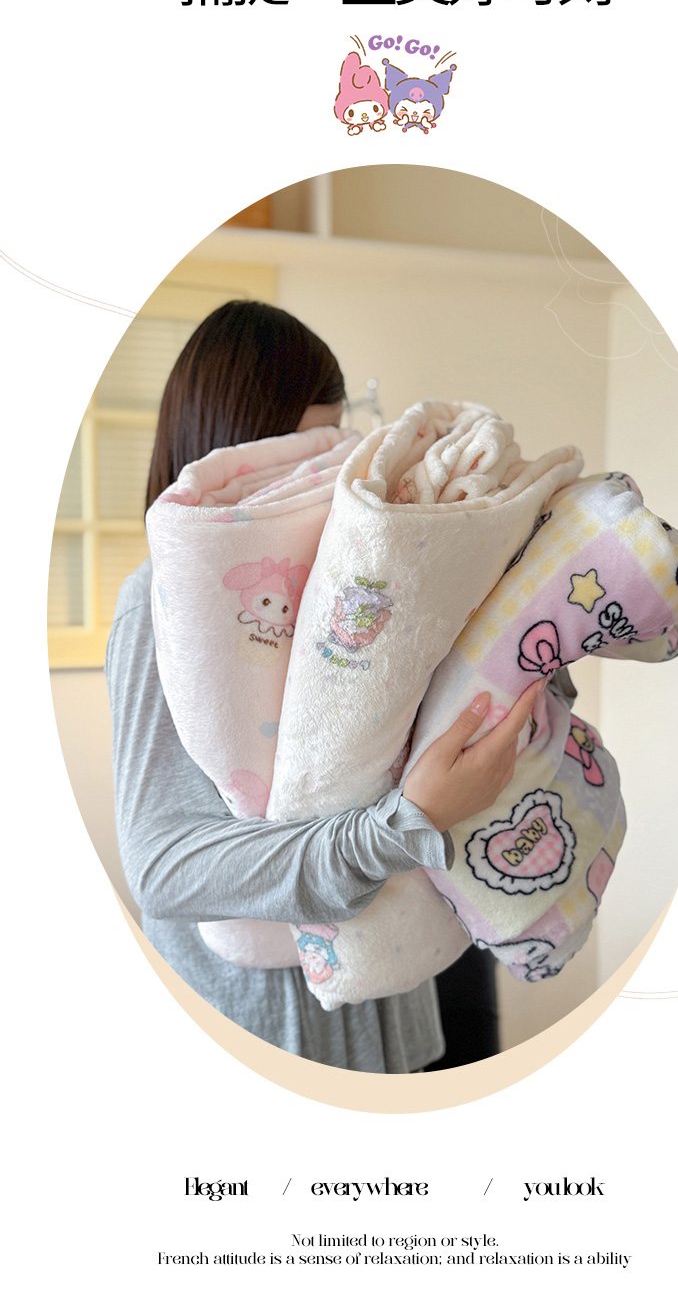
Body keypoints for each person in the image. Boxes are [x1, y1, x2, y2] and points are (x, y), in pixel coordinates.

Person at [107, 301, 541, 1073]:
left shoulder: (361, 579)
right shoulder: (163, 603)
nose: (325, 474)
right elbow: (163, 867)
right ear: (232, 451)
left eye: (337, 443)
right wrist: (402, 826)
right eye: (302, 450)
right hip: (269, 1027)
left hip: (397, 998)